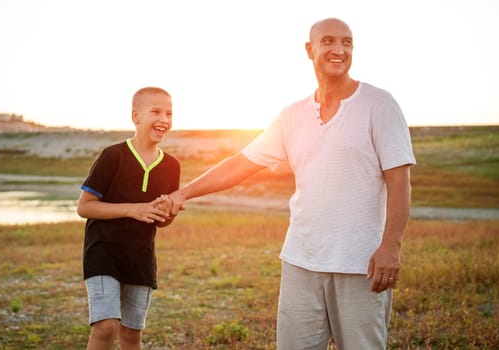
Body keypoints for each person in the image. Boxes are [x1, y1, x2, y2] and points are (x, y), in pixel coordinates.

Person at [169, 18, 416, 349]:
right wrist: (183, 192)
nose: (338, 50)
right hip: (301, 261)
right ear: (309, 49)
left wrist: (391, 246)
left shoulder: (379, 104)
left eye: (347, 42)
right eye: (328, 41)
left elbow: (399, 180)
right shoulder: (292, 115)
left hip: (361, 264)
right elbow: (240, 164)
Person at [77, 87, 180, 350]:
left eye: (169, 113)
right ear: (136, 117)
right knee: (105, 326)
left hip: (141, 258)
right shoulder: (113, 156)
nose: (164, 119)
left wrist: (168, 213)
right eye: (156, 111)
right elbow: (85, 207)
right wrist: (133, 209)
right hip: (103, 253)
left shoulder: (172, 166)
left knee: (132, 334)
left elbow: (160, 221)